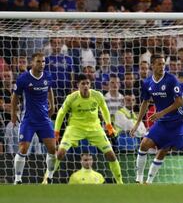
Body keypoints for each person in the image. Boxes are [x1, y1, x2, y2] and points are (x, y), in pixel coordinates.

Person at [129, 55, 183, 184]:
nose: (162, 67)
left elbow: (180, 102)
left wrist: (160, 113)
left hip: (180, 121)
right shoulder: (147, 83)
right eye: (159, 64)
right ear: (152, 65)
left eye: (163, 64)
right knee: (144, 145)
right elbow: (145, 102)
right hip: (163, 122)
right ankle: (139, 179)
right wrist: (137, 123)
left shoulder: (171, 80)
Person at [52, 74, 123, 184]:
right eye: (83, 84)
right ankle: (47, 178)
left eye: (87, 83)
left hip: (95, 128)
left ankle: (120, 182)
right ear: (78, 85)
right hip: (75, 128)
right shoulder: (72, 98)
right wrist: (56, 132)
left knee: (111, 155)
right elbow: (61, 114)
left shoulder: (97, 95)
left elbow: (104, 110)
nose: (86, 86)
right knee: (60, 153)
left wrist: (109, 126)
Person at [11, 52, 56, 184]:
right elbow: (15, 97)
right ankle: (18, 179)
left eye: (43, 62)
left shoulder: (47, 76)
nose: (41, 64)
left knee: (52, 149)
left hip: (44, 120)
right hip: (28, 120)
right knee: (23, 148)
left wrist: (52, 105)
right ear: (32, 62)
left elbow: (49, 89)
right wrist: (14, 114)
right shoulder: (23, 78)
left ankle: (50, 176)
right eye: (38, 61)